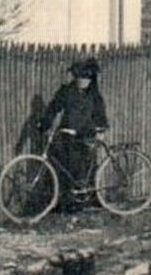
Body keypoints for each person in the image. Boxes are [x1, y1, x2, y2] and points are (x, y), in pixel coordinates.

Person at [39, 59, 108, 210]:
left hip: (86, 135)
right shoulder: (66, 91)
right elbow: (53, 108)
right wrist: (45, 124)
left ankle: (89, 199)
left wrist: (101, 129)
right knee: (63, 166)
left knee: (86, 167)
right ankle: (64, 201)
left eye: (86, 78)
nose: (82, 81)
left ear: (91, 79)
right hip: (67, 134)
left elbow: (100, 114)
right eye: (79, 77)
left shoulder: (94, 95)